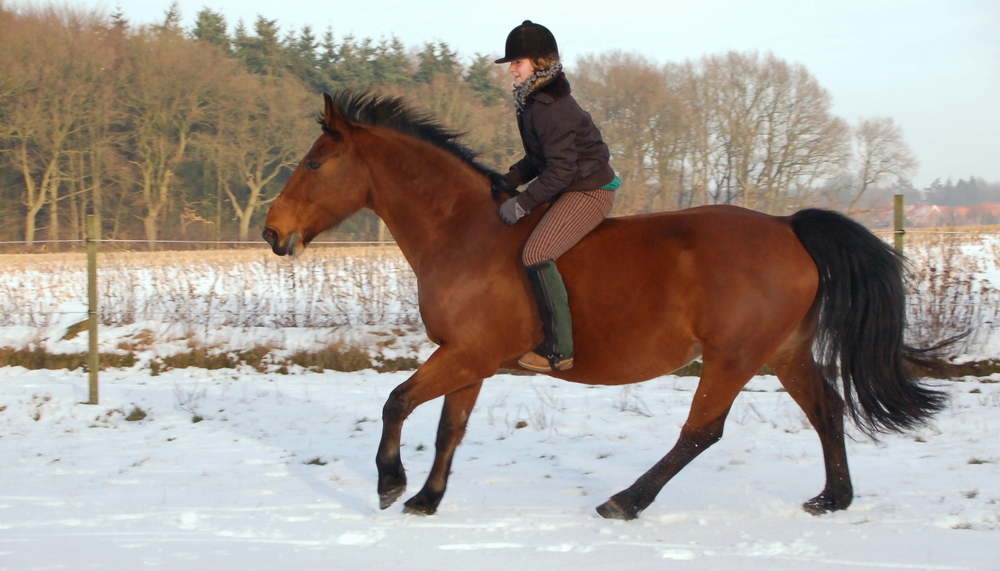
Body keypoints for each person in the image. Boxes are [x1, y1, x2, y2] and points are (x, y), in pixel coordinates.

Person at [493, 20, 620, 373]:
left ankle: (558, 348)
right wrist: (509, 179)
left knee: (536, 252)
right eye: (512, 64)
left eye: (517, 63)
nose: (512, 70)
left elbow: (560, 170)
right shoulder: (533, 101)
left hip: (589, 190)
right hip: (569, 184)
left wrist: (521, 203)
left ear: (539, 63)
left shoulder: (550, 106)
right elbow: (540, 158)